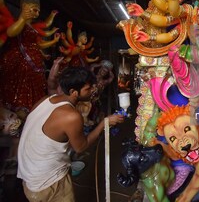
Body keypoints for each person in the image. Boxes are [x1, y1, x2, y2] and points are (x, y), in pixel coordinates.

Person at [17, 66, 124, 202]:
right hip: (49, 183)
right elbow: (81, 147)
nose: (92, 91)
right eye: (88, 89)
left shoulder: (46, 100)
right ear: (74, 92)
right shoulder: (71, 116)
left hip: (29, 177)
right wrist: (104, 123)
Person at [0, 0, 60, 114]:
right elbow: (11, 32)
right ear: (24, 6)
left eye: (38, 10)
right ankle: (19, 110)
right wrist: (22, 18)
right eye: (34, 9)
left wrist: (53, 41)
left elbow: (39, 42)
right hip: (19, 62)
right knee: (19, 91)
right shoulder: (16, 22)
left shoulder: (33, 28)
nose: (36, 13)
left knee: (35, 89)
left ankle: (33, 109)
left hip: (35, 65)